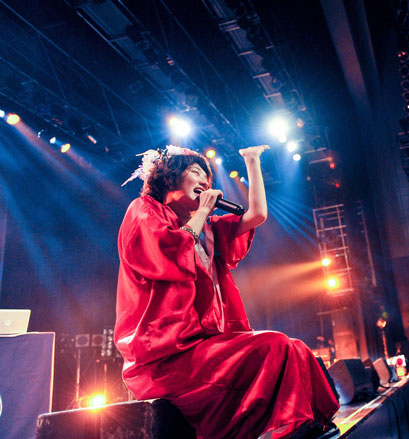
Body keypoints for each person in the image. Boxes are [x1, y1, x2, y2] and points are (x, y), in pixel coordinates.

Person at [114, 145, 339, 439]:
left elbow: (256, 215)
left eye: (207, 179)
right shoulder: (145, 210)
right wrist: (203, 211)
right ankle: (288, 431)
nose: (204, 182)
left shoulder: (208, 229)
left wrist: (252, 161)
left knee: (295, 348)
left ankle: (308, 424)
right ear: (170, 177)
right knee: (276, 345)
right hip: (164, 357)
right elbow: (169, 253)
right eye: (195, 173)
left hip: (203, 346)